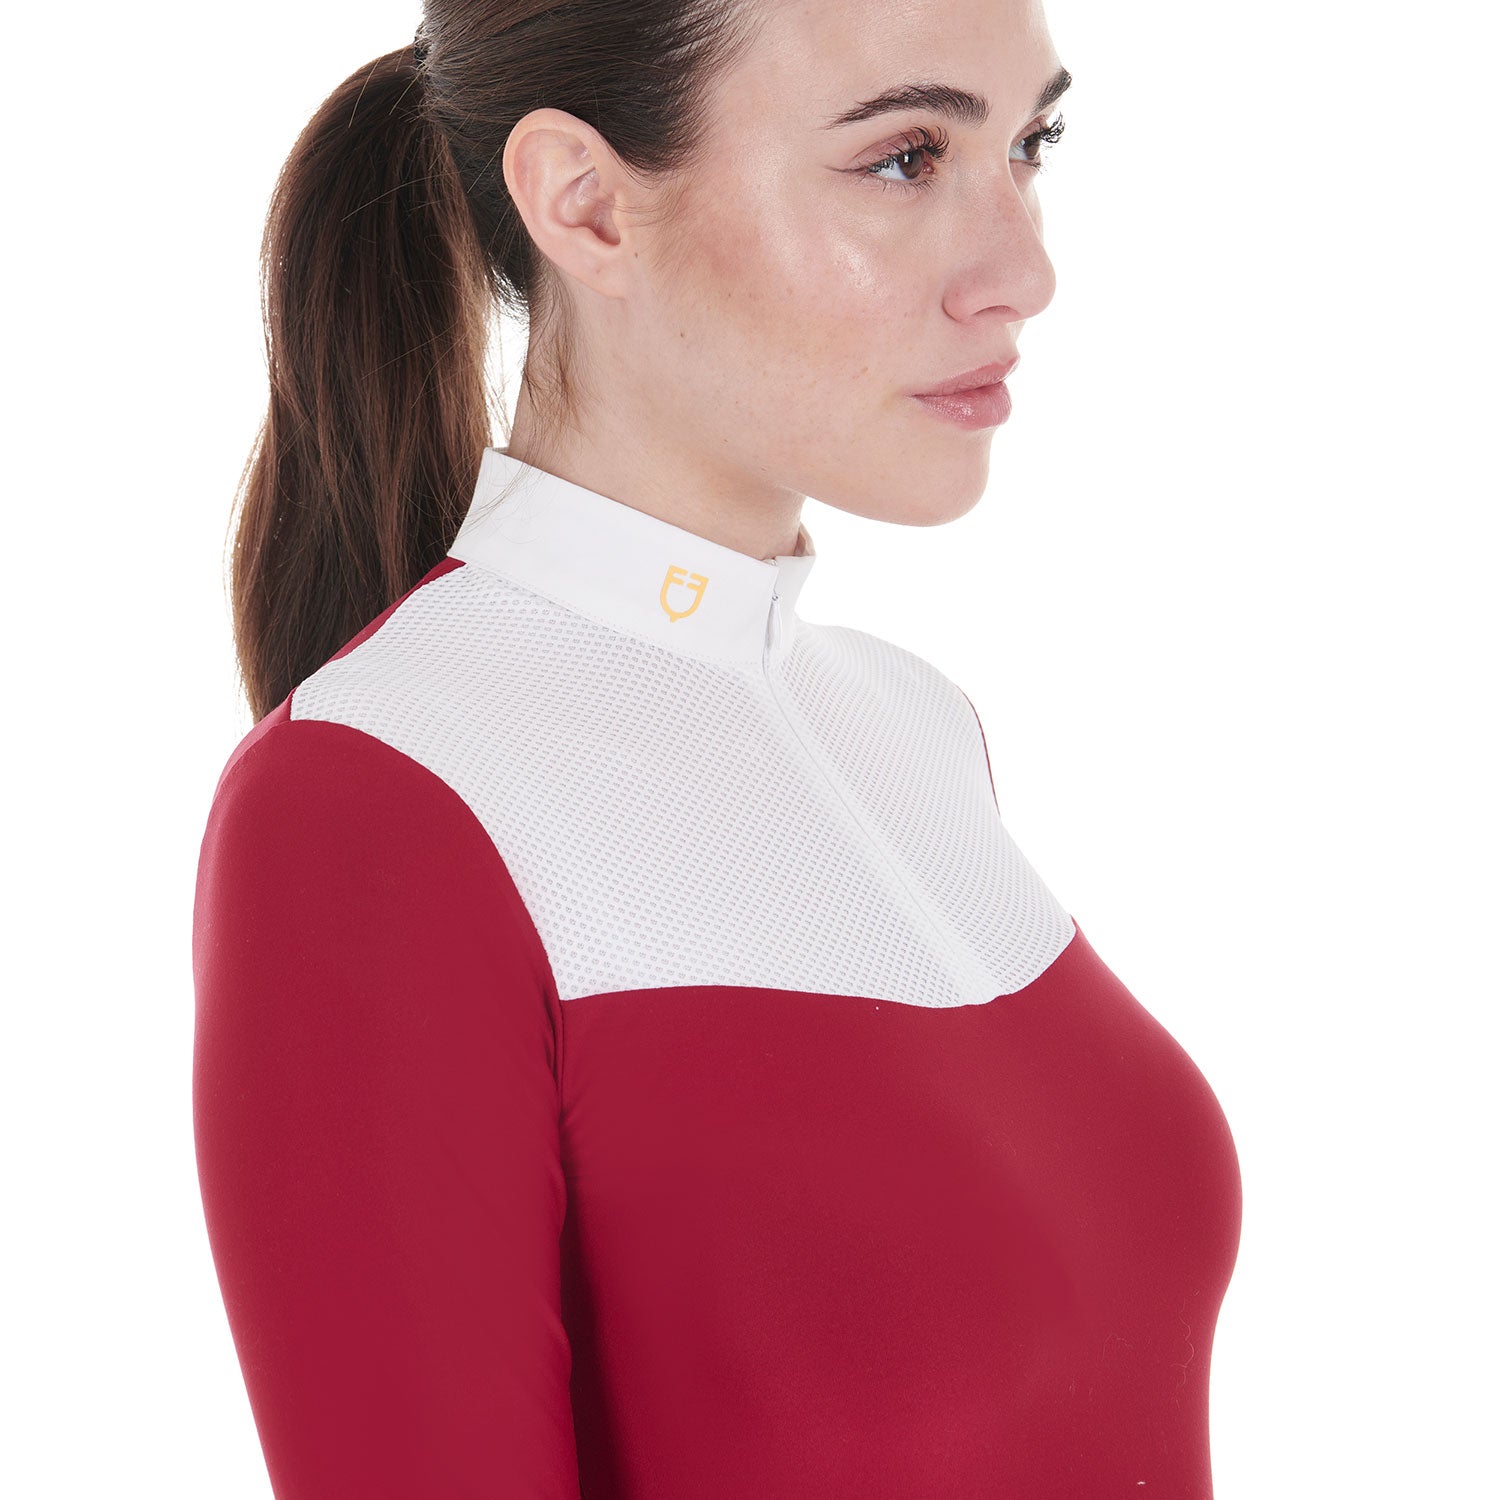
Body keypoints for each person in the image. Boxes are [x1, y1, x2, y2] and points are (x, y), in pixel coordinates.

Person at [191, 1, 1243, 1494]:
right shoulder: (378, 798)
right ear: (585, 204)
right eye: (904, 158)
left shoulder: (918, 728)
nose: (1024, 271)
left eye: (1031, 144)